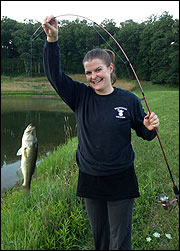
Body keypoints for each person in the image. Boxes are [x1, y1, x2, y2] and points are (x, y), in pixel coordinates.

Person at [42, 15, 160, 250]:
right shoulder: (79, 96)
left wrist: (149, 129)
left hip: (121, 177)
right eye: (88, 73)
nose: (93, 76)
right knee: (100, 237)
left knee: (120, 238)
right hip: (90, 176)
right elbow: (55, 76)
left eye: (98, 70)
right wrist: (52, 40)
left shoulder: (128, 100)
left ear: (110, 68)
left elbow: (143, 132)